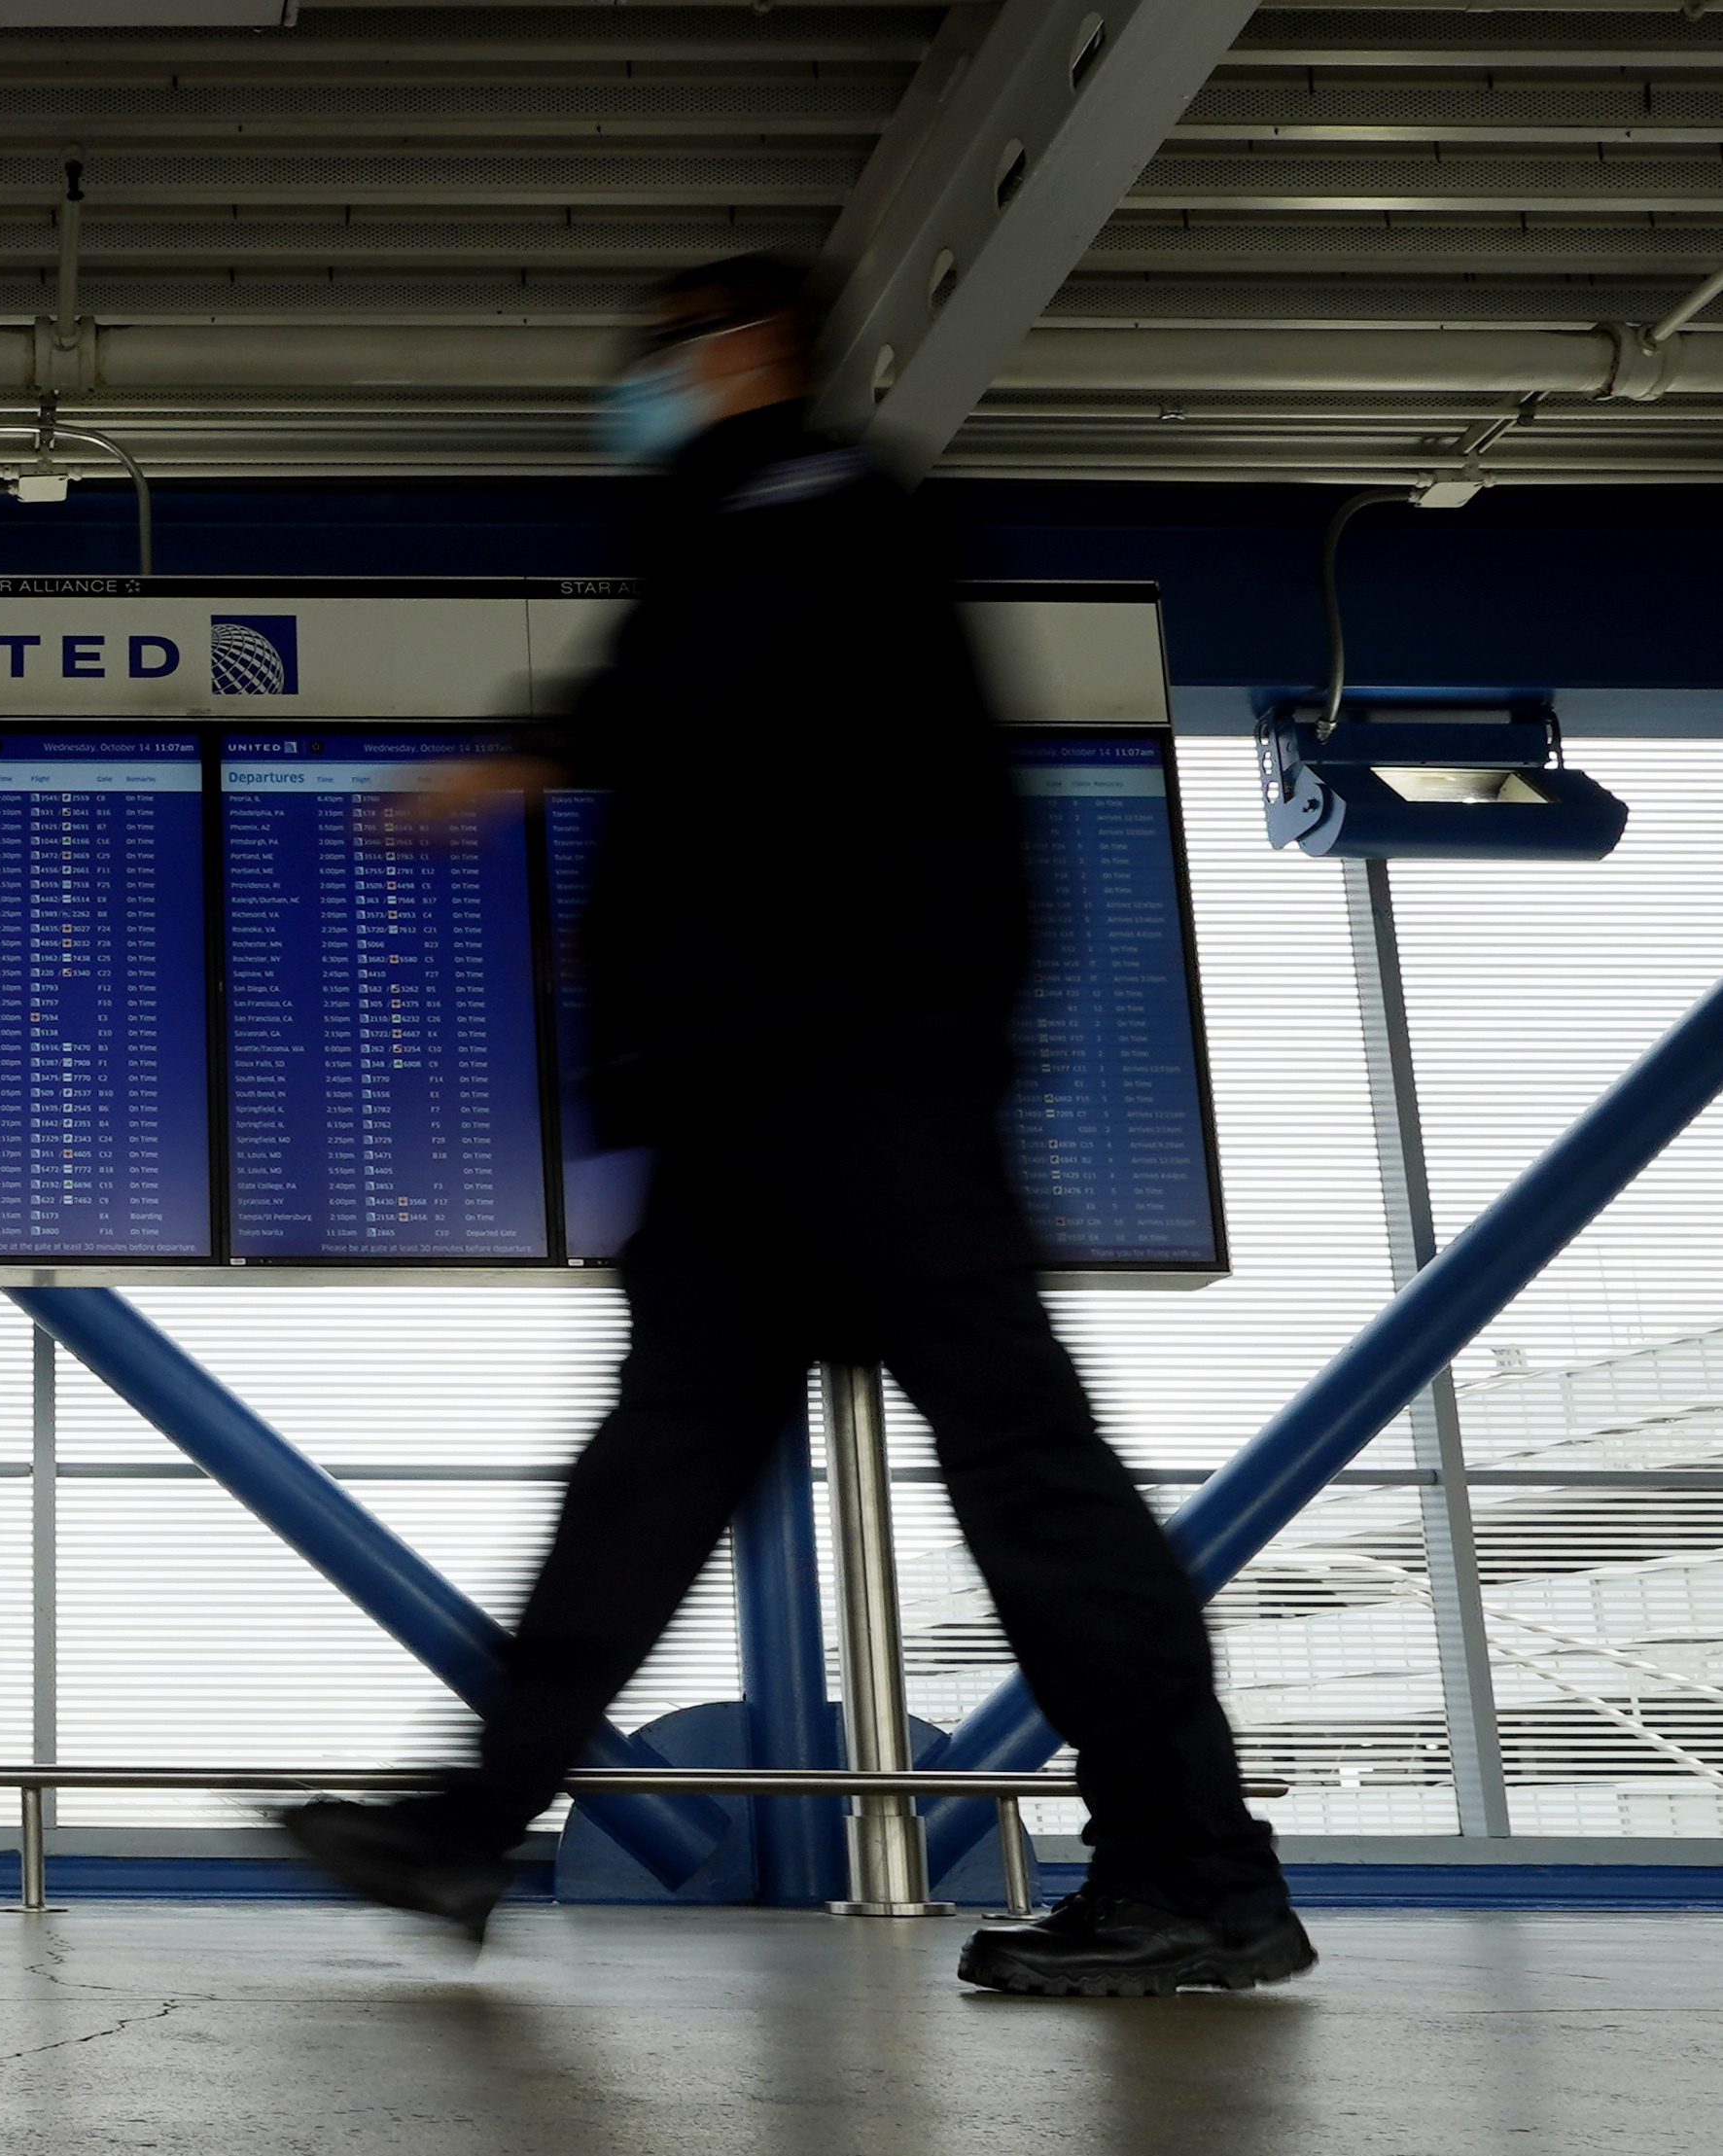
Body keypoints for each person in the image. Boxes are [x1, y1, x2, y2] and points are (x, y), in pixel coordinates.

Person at [278, 252, 1312, 1998]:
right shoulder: (740, 522)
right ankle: (468, 1830)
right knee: (652, 1480)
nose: (642, 385)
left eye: (664, 353)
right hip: (749, 1111)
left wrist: (525, 757)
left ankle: (1196, 1873)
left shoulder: (821, 504)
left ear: (749, 352)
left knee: (1026, 1479)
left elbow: (714, 687)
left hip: (862, 1091)